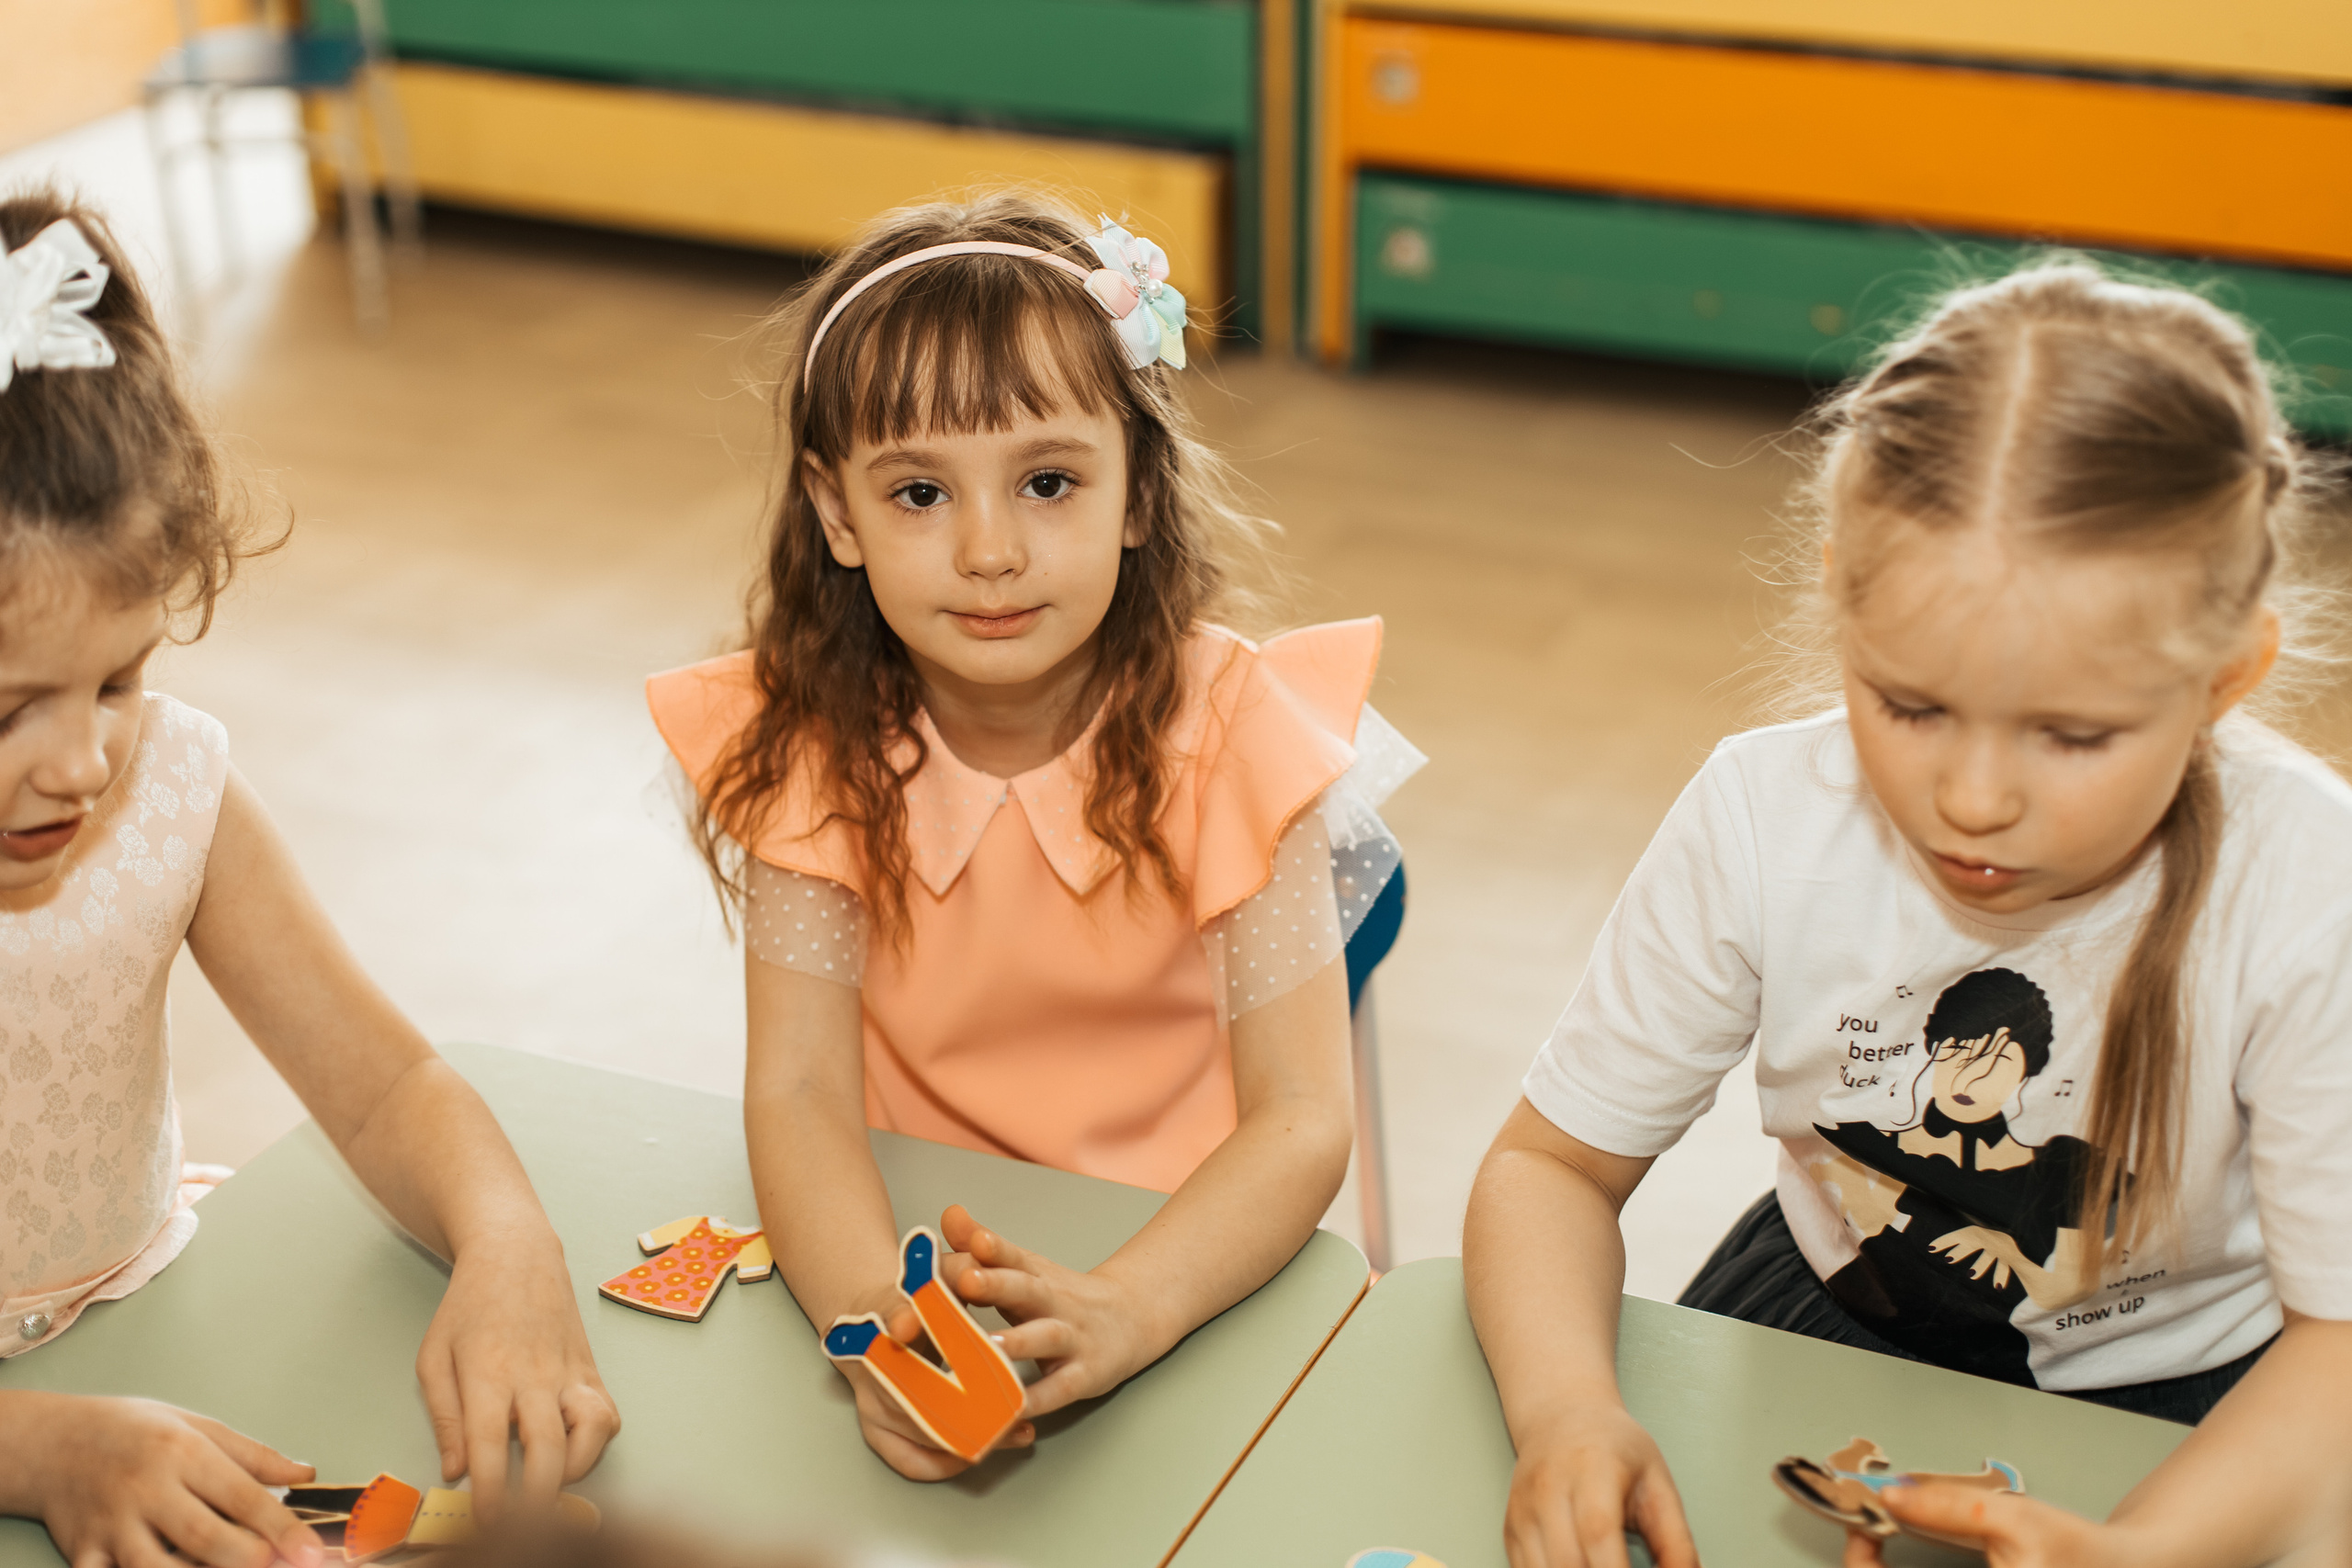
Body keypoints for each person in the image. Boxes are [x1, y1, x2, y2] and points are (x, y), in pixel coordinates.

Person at [1463, 262, 2352, 1568]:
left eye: (2072, 734)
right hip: (1828, 1323)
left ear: (2228, 679)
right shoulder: (1764, 815)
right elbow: (1550, 1169)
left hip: (2214, 1413)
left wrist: (2141, 1552)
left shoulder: (2307, 881)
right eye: (1912, 707)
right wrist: (1569, 1416)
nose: (1973, 799)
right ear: (1840, 606)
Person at [649, 191, 1419, 1479]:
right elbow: (796, 1095)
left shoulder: (1241, 735)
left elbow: (1298, 1120)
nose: (991, 550)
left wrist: (1135, 1303)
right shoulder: (807, 745)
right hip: (906, 1237)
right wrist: (876, 1336)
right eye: (918, 494)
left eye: (1049, 481)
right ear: (837, 517)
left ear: (1136, 492)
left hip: (1196, 1258)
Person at [0, 192, 619, 1566]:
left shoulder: (171, 790)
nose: (83, 763)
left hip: (152, 1319)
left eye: (121, 678)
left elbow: (389, 1086)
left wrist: (506, 1242)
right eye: (11, 712)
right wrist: (39, 1449)